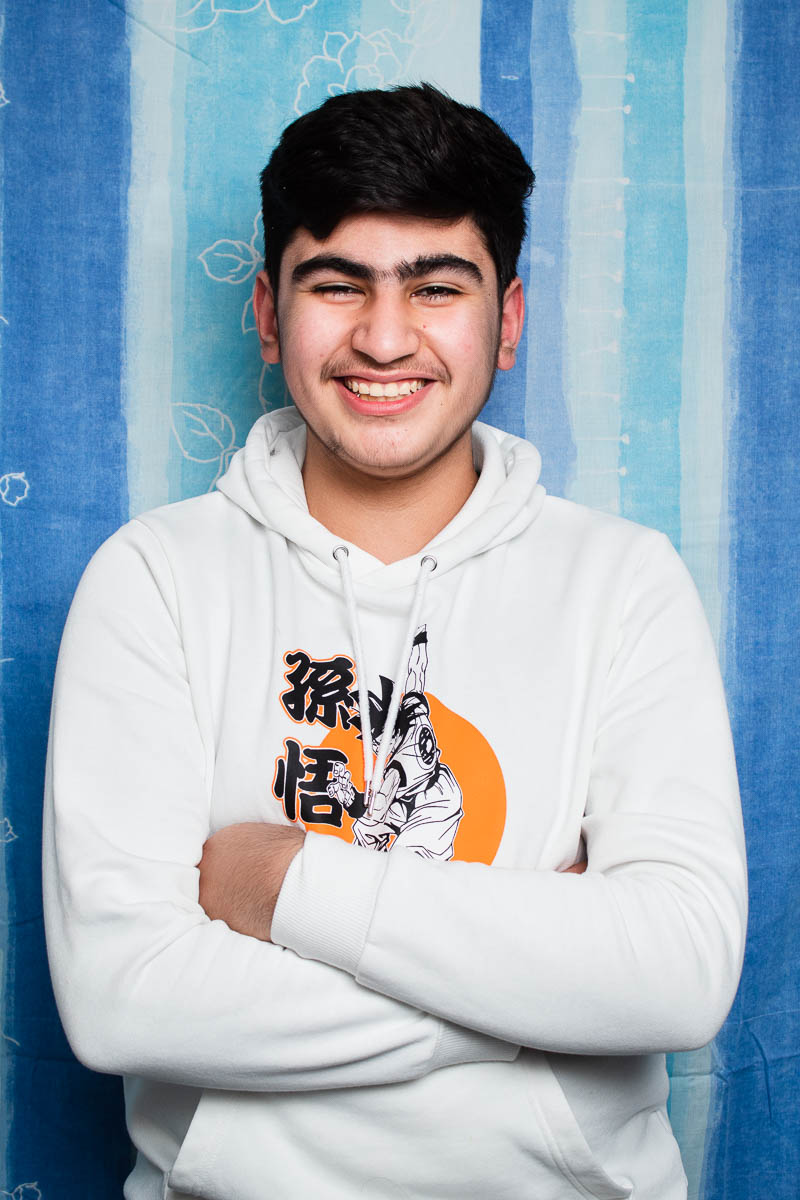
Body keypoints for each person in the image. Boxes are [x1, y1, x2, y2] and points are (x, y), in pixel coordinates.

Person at [43, 84, 747, 1200]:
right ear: (271, 316)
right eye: (336, 284)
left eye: (435, 287)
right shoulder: (155, 579)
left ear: (506, 320)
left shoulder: (622, 582)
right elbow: (124, 995)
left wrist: (285, 889)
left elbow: (675, 975)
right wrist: (533, 989)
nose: (382, 336)